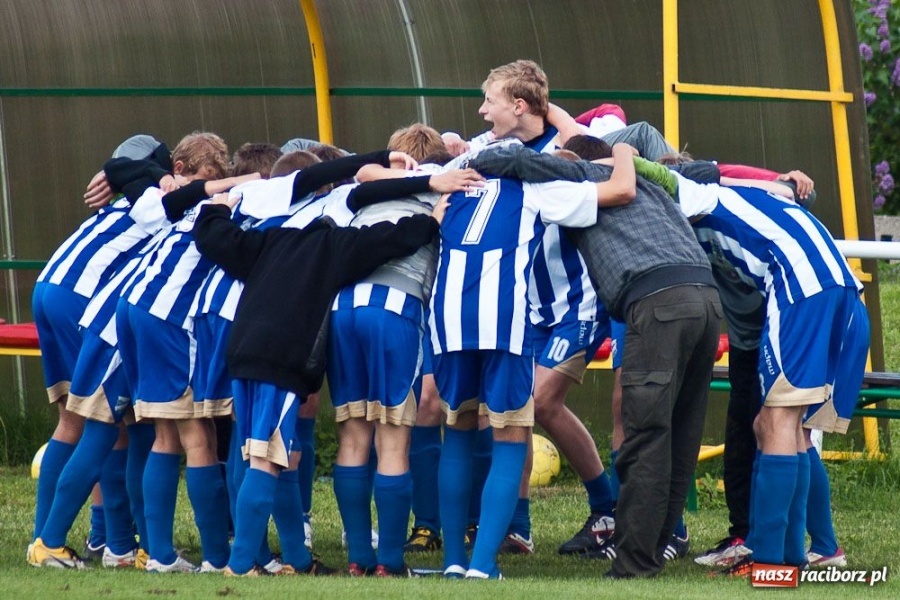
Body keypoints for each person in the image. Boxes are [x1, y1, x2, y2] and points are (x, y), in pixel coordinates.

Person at [191, 158, 479, 577]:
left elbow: (219, 239)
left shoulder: (272, 240)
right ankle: (243, 565)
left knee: (273, 448)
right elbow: (387, 239)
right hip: (293, 356)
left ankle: (332, 557)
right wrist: (431, 221)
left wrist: (216, 206)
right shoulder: (334, 243)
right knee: (272, 458)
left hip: (243, 352)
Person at [468, 143, 721, 579]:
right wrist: (625, 157)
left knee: (645, 435)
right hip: (706, 298)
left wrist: (466, 162)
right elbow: (707, 171)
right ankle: (658, 545)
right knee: (681, 434)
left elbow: (510, 160)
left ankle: (634, 563)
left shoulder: (575, 177)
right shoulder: (647, 180)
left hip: (656, 301)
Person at [431, 138, 637, 580]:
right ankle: (487, 560)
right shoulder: (536, 188)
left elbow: (376, 177)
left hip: (461, 316)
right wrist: (624, 151)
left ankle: (454, 559)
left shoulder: (458, 182)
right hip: (509, 316)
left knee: (467, 429)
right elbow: (622, 189)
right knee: (510, 430)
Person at [667, 174, 868, 575]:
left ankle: (771, 563)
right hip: (841, 290)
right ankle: (802, 551)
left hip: (802, 291)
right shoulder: (747, 197)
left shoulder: (692, 200)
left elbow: (645, 170)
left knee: (775, 421)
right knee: (785, 426)